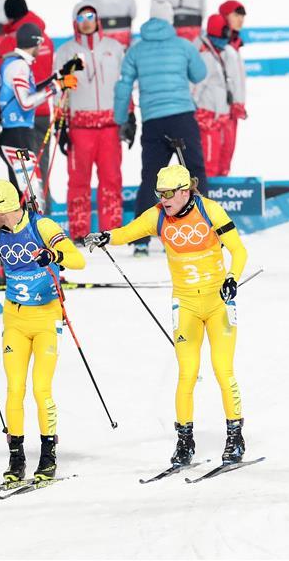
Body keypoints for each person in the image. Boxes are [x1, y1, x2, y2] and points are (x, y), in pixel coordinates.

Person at [83, 164, 249, 466]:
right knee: (186, 373)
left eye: (169, 194)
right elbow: (127, 232)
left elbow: (239, 251)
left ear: (186, 190)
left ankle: (235, 436)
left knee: (222, 369)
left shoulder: (211, 211)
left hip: (217, 303)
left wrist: (232, 278)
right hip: (184, 304)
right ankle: (185, 441)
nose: (164, 199)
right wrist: (105, 237)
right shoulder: (157, 215)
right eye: (159, 193)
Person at [0, 179, 86, 482]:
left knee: (40, 388)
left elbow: (79, 260)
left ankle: (48, 454)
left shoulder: (42, 226)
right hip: (15, 321)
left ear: (2, 208)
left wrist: (54, 255)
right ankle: (17, 458)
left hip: (47, 320)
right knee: (14, 388)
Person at [113, 0, 207, 257]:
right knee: (193, 172)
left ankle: (141, 241)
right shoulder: (183, 46)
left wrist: (121, 119)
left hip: (153, 120)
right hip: (182, 117)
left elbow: (123, 87)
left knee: (151, 177)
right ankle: (205, 229)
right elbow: (200, 74)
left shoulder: (136, 49)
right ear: (170, 20)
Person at [54, 2, 126, 243]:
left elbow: (123, 85)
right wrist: (60, 126)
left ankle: (112, 233)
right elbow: (59, 90)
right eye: (81, 17)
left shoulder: (114, 48)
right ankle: (79, 233)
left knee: (112, 180)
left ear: (97, 19)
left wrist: (129, 116)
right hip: (80, 127)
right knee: (78, 182)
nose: (86, 21)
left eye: (90, 16)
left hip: (109, 126)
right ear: (76, 21)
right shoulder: (65, 51)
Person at [0, 22, 78, 211]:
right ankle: (29, 238)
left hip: (15, 134)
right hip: (17, 136)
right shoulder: (19, 66)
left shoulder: (14, 62)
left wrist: (58, 77)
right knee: (31, 197)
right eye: (40, 43)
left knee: (24, 196)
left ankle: (25, 236)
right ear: (35, 42)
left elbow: (31, 91)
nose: (41, 47)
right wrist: (57, 87)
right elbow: (26, 102)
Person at [0, 0, 56, 206]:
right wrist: (54, 87)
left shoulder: (8, 43)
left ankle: (31, 228)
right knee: (36, 176)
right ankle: (42, 223)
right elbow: (31, 91)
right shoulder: (45, 38)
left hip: (18, 124)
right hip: (37, 115)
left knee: (24, 182)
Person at [194, 14, 242, 177]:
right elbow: (196, 86)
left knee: (224, 161)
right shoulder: (204, 54)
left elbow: (236, 82)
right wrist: (193, 109)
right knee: (209, 164)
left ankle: (219, 197)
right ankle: (205, 200)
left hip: (224, 115)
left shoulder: (228, 52)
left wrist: (237, 103)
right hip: (207, 116)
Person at [218, 0, 248, 176]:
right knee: (218, 158)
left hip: (233, 110)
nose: (241, 19)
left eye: (242, 16)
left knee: (227, 155)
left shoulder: (235, 44)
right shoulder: (220, 45)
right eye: (236, 15)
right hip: (221, 111)